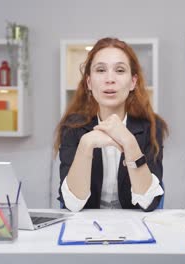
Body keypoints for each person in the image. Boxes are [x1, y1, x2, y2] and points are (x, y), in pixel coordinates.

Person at [54, 37, 168, 212]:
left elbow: (149, 201)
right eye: (100, 70)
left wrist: (129, 142)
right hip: (85, 228)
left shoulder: (151, 127)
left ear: (133, 82)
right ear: (89, 82)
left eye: (120, 70)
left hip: (136, 228)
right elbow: (72, 204)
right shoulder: (72, 127)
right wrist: (86, 144)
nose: (110, 79)